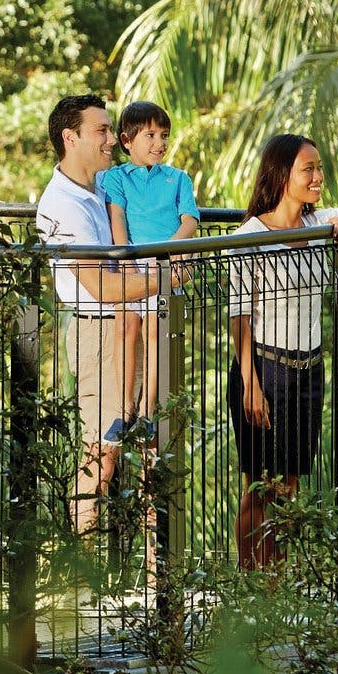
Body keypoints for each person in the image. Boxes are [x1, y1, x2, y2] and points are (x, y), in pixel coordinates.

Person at [227, 133, 338, 570]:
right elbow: (239, 318)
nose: (318, 177)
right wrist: (250, 384)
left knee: (290, 486)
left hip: (309, 370)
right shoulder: (251, 236)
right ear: (282, 175)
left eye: (319, 168)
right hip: (265, 367)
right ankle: (251, 586)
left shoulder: (319, 224)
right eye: (309, 169)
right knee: (261, 485)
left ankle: (275, 583)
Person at [36, 94, 170, 535]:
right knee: (102, 452)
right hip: (99, 332)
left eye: (112, 130)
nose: (112, 139)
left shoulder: (105, 186)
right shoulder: (62, 204)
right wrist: (169, 275)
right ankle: (83, 579)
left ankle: (157, 582)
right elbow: (103, 286)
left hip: (136, 325)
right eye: (102, 131)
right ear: (69, 138)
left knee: (155, 450)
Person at [97, 100, 200, 445]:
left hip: (166, 264)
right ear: (127, 140)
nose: (160, 143)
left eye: (164, 135)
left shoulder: (178, 179)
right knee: (126, 325)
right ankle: (124, 409)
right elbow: (117, 217)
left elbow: (190, 221)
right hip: (131, 260)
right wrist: (125, 258)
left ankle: (147, 409)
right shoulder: (116, 177)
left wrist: (166, 252)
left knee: (156, 330)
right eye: (151, 135)